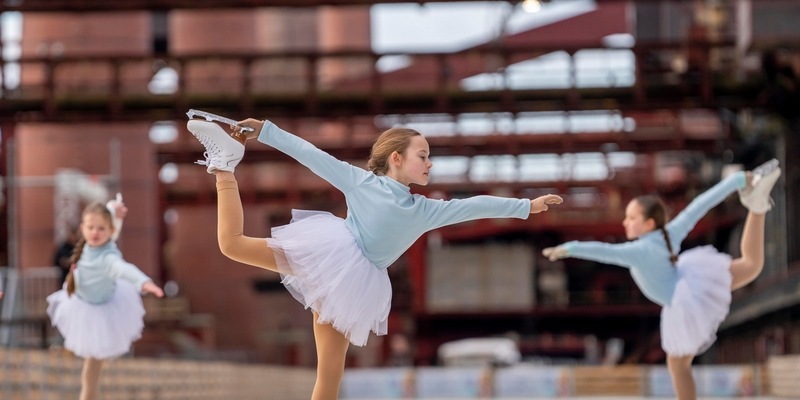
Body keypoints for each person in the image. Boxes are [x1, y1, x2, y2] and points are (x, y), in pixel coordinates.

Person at [186, 117, 563, 400]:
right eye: (423, 156)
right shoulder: (361, 182)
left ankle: (224, 164)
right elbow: (310, 154)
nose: (430, 163)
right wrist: (266, 131)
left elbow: (473, 206)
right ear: (397, 158)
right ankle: (224, 165)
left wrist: (526, 207)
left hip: (354, 283)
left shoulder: (424, 210)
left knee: (330, 374)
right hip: (330, 255)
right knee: (232, 245)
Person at [542, 159, 781, 400]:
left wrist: (570, 248)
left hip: (686, 296)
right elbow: (700, 204)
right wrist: (737, 180)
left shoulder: (640, 251)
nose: (625, 222)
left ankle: (757, 205)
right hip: (689, 282)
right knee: (750, 266)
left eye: (631, 218)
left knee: (678, 365)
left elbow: (605, 251)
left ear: (648, 224)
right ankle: (757, 204)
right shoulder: (669, 233)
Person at [46, 200, 164, 400]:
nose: (95, 232)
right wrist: (112, 207)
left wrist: (143, 282)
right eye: (91, 228)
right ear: (83, 229)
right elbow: (102, 222)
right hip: (81, 303)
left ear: (110, 230)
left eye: (101, 229)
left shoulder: (108, 257)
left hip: (100, 310)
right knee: (90, 369)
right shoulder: (89, 244)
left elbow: (123, 269)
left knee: (91, 368)